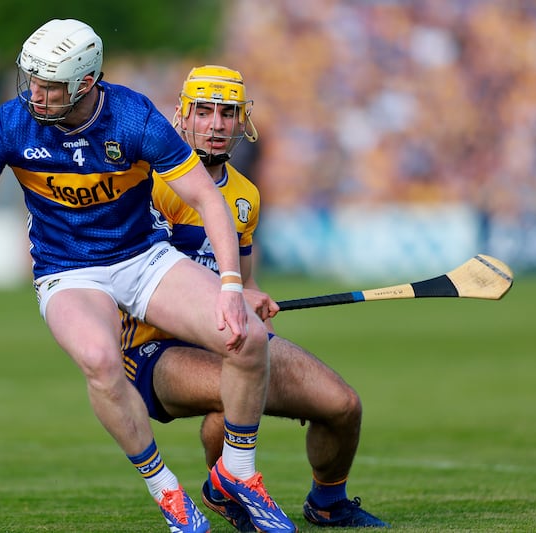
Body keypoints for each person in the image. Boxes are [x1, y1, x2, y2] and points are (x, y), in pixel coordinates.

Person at [0, 19, 295, 533]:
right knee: (98, 358)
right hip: (67, 273)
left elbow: (207, 198)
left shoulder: (134, 118)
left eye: (50, 85)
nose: (35, 94)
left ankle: (239, 473)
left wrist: (232, 287)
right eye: (33, 81)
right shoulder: (11, 124)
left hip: (143, 259)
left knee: (245, 336)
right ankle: (170, 494)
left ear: (86, 83)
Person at [121, 65, 389, 530]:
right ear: (182, 116)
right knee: (234, 396)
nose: (216, 125)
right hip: (152, 348)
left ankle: (328, 503)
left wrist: (252, 298)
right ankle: (231, 493)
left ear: (243, 120)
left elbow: (241, 282)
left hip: (221, 336)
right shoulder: (149, 181)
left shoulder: (245, 195)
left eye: (227, 113)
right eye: (204, 112)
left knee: (342, 405)